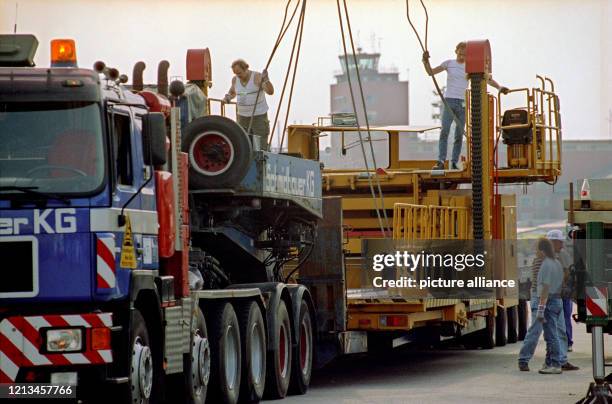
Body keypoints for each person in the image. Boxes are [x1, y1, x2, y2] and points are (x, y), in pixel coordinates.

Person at [422, 42, 509, 170]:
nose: (462, 55)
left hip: (462, 103)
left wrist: (499, 87)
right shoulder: (448, 63)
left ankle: (453, 162)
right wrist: (425, 61)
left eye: (465, 53)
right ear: (456, 51)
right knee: (444, 131)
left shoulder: (470, 66)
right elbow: (431, 72)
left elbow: (487, 79)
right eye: (460, 51)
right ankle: (441, 161)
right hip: (449, 102)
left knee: (458, 134)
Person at [518, 238, 564, 374]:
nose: (535, 252)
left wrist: (541, 308)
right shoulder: (556, 262)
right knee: (552, 333)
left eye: (537, 249)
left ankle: (550, 363)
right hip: (556, 300)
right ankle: (550, 362)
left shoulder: (542, 262)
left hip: (544, 300)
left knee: (541, 332)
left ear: (542, 250)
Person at [223, 59, 274, 151]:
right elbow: (232, 92)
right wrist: (228, 97)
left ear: (246, 68)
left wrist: (266, 80)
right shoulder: (235, 80)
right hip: (242, 117)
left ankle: (261, 162)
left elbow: (270, 92)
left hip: (258, 116)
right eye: (236, 74)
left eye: (240, 73)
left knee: (261, 144)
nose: (238, 76)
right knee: (242, 142)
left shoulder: (257, 77)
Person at [547, 229, 578, 360]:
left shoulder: (563, 255)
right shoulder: (548, 256)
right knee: (558, 321)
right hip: (556, 293)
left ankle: (567, 343)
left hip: (563, 292)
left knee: (564, 317)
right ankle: (559, 346)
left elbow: (568, 272)